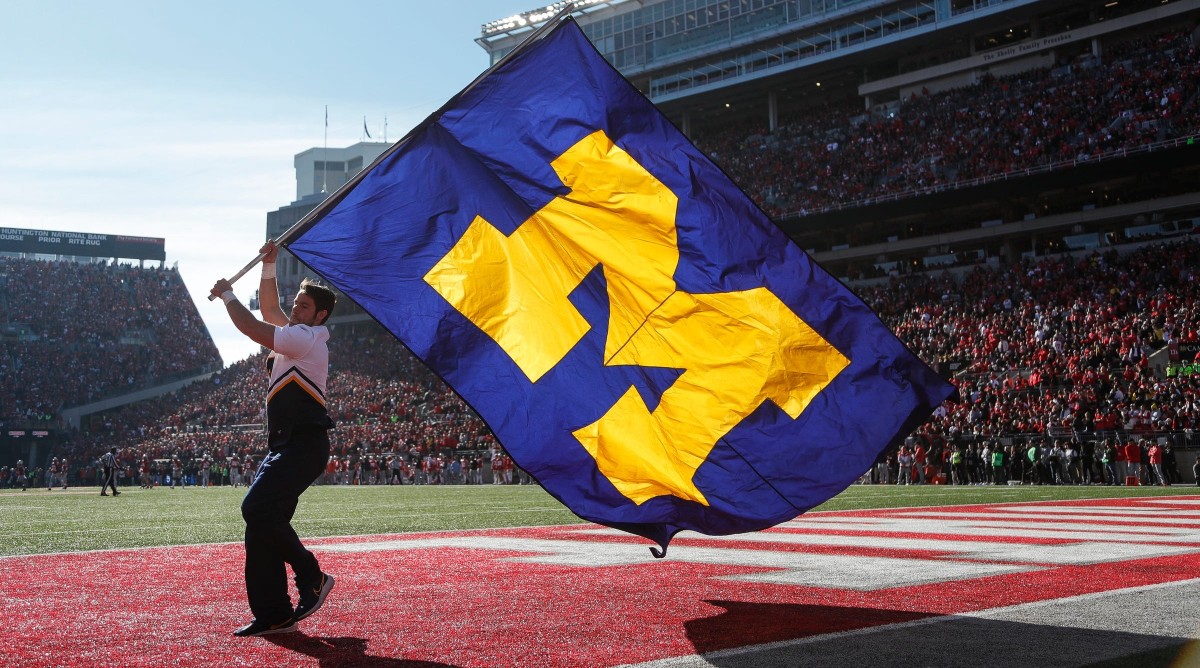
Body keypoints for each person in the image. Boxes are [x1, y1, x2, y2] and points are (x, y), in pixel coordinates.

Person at [212, 240, 337, 638]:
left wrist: (229, 295)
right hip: (287, 445)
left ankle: (311, 575)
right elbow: (269, 312)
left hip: (304, 443)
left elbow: (253, 326)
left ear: (320, 315)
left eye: (303, 306)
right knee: (261, 525)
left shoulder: (307, 339)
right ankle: (275, 614)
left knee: (257, 509)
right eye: (296, 304)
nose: (296, 310)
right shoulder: (299, 334)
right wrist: (270, 266)